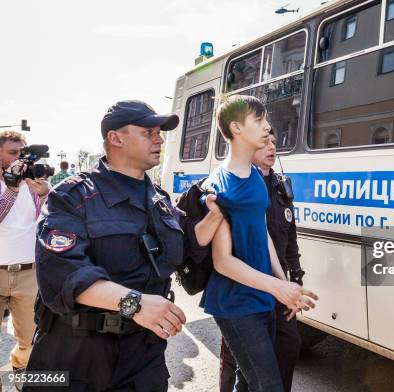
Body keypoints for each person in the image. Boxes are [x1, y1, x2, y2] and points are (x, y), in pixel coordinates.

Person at [24, 100, 223, 392]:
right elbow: (63, 274)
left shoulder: (159, 198)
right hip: (73, 353)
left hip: (142, 355)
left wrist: (215, 216)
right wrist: (136, 303)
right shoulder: (71, 196)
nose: (159, 139)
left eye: (160, 132)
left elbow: (184, 246)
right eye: (148, 132)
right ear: (115, 138)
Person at [204, 94, 318, 392]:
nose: (267, 127)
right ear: (236, 128)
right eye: (259, 120)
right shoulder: (219, 186)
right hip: (234, 303)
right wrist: (278, 287)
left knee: (250, 381)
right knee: (267, 385)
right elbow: (223, 261)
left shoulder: (256, 176)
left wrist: (284, 285)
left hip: (262, 297)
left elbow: (263, 233)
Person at [219, 129, 304, 392]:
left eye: (275, 143)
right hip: (245, 287)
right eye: (265, 142)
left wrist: (294, 278)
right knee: (239, 363)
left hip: (277, 286)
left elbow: (289, 235)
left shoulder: (280, 186)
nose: (272, 147)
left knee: (288, 345)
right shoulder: (238, 184)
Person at [0, 131, 49, 377]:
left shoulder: (31, 184)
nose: (20, 159)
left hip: (29, 274)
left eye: (22, 153)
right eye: (13, 153)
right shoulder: (12, 186)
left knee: (31, 341)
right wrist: (10, 188)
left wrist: (45, 195)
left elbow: (46, 223)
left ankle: (21, 370)